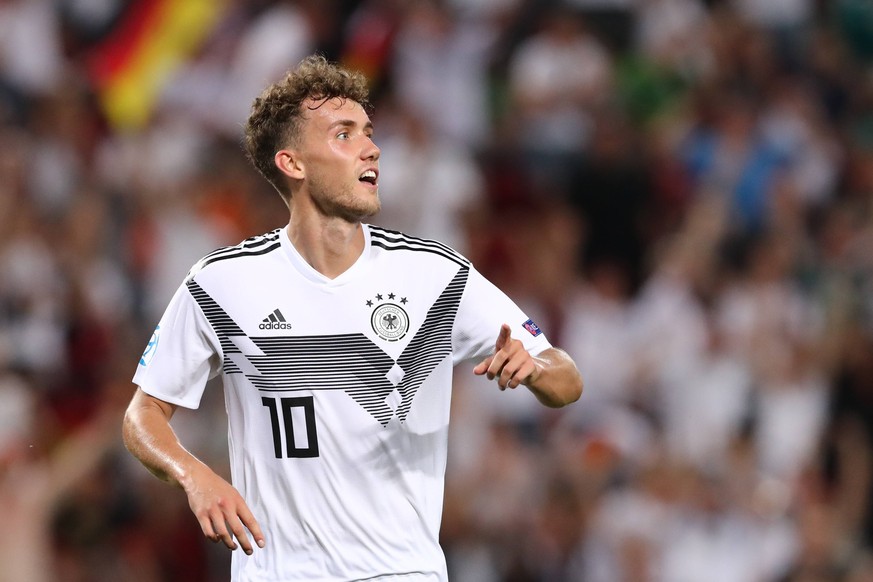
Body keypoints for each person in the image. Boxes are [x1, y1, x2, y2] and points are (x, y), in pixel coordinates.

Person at [122, 54, 583, 582]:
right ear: (292, 163)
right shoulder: (220, 284)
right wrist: (194, 474)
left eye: (368, 132)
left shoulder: (434, 276)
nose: (372, 147)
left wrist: (537, 368)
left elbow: (566, 376)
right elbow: (142, 416)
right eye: (344, 134)